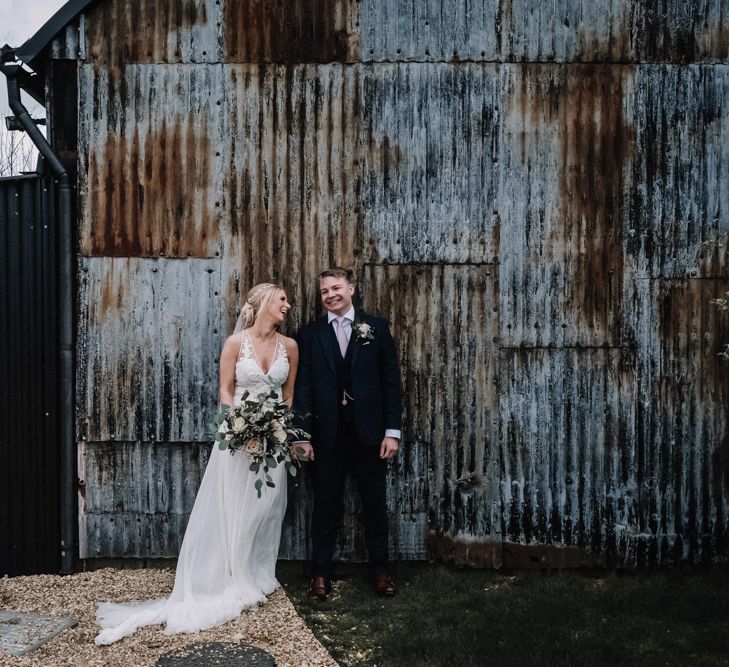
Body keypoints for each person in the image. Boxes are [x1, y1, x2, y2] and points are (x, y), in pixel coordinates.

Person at [95, 283, 298, 645]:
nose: (288, 304)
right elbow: (225, 391)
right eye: (282, 299)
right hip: (238, 440)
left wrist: (277, 428)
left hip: (272, 441)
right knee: (231, 505)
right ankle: (226, 577)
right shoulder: (236, 344)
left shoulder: (291, 347)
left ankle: (251, 573)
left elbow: (288, 394)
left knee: (264, 507)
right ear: (264, 301)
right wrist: (241, 430)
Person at [293, 267, 402, 600]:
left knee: (374, 505)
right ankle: (320, 575)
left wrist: (392, 432)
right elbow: (303, 387)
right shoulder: (310, 335)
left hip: (370, 435)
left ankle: (381, 571)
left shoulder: (376, 328)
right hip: (327, 437)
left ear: (351, 289)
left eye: (335, 288)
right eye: (324, 291)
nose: (330, 295)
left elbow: (390, 383)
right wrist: (302, 435)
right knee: (325, 505)